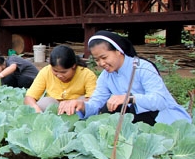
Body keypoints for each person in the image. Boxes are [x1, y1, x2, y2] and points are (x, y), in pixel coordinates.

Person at [58, 30, 192, 125]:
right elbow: (96, 104)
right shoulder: (106, 76)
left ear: (119, 51)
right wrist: (81, 105)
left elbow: (160, 101)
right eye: (97, 60)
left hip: (164, 120)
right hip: (135, 119)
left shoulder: (142, 68)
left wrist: (129, 97)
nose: (101, 63)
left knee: (121, 105)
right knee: (107, 109)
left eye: (104, 57)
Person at [24, 45, 97, 113]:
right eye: (55, 71)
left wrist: (74, 102)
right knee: (44, 102)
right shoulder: (46, 71)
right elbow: (29, 97)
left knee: (83, 101)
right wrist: (36, 108)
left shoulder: (87, 74)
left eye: (63, 72)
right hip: (54, 108)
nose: (59, 75)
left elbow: (94, 100)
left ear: (74, 66)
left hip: (75, 108)